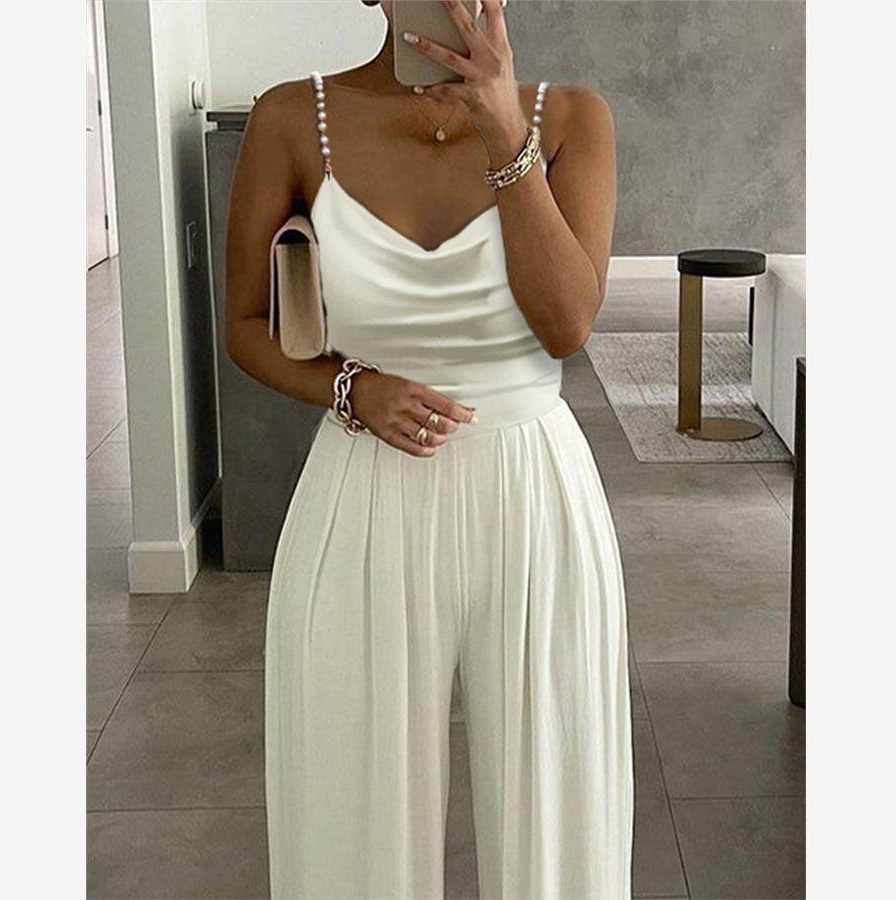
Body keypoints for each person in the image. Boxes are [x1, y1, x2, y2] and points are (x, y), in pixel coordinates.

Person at [225, 1, 632, 896]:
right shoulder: (292, 118)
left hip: (533, 494)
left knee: (556, 793)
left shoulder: (572, 119)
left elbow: (567, 325)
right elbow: (247, 324)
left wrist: (504, 130)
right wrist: (352, 388)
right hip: (365, 484)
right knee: (347, 792)